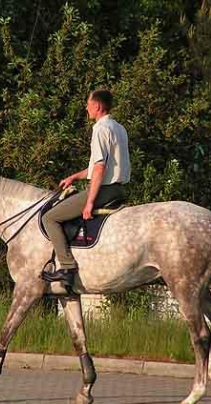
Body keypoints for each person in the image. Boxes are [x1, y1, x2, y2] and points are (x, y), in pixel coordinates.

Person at [41, 89, 130, 286]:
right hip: (119, 189)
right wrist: (74, 176)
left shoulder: (100, 129)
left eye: (88, 104)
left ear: (97, 106)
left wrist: (89, 202)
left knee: (50, 217)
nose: (86, 108)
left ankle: (66, 267)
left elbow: (100, 168)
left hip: (103, 191)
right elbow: (103, 166)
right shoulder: (119, 128)